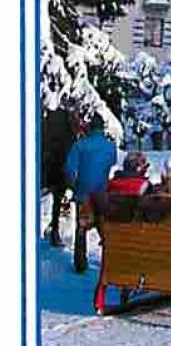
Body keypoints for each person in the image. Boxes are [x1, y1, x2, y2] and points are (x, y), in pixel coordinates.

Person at [63, 114, 117, 272]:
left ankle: (80, 262)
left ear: (89, 128)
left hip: (83, 193)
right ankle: (111, 260)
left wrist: (74, 186)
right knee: (104, 228)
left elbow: (69, 169)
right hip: (102, 192)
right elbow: (111, 162)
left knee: (81, 228)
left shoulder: (80, 145)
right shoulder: (110, 146)